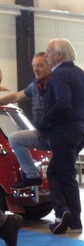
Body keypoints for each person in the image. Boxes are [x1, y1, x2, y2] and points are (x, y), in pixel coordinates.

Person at [19, 39, 84, 235]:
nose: (46, 55)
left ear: (59, 55)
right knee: (60, 172)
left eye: (48, 52)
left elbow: (63, 103)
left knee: (61, 175)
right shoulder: (80, 73)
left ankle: (64, 215)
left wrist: (45, 122)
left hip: (63, 132)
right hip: (79, 131)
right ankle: (71, 217)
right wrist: (78, 113)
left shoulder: (59, 75)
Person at [1, 52, 53, 183]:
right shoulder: (35, 86)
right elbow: (16, 97)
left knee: (61, 177)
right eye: (34, 66)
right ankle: (32, 176)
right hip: (43, 133)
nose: (36, 69)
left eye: (40, 65)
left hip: (59, 134)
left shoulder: (57, 84)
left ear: (50, 66)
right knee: (15, 138)